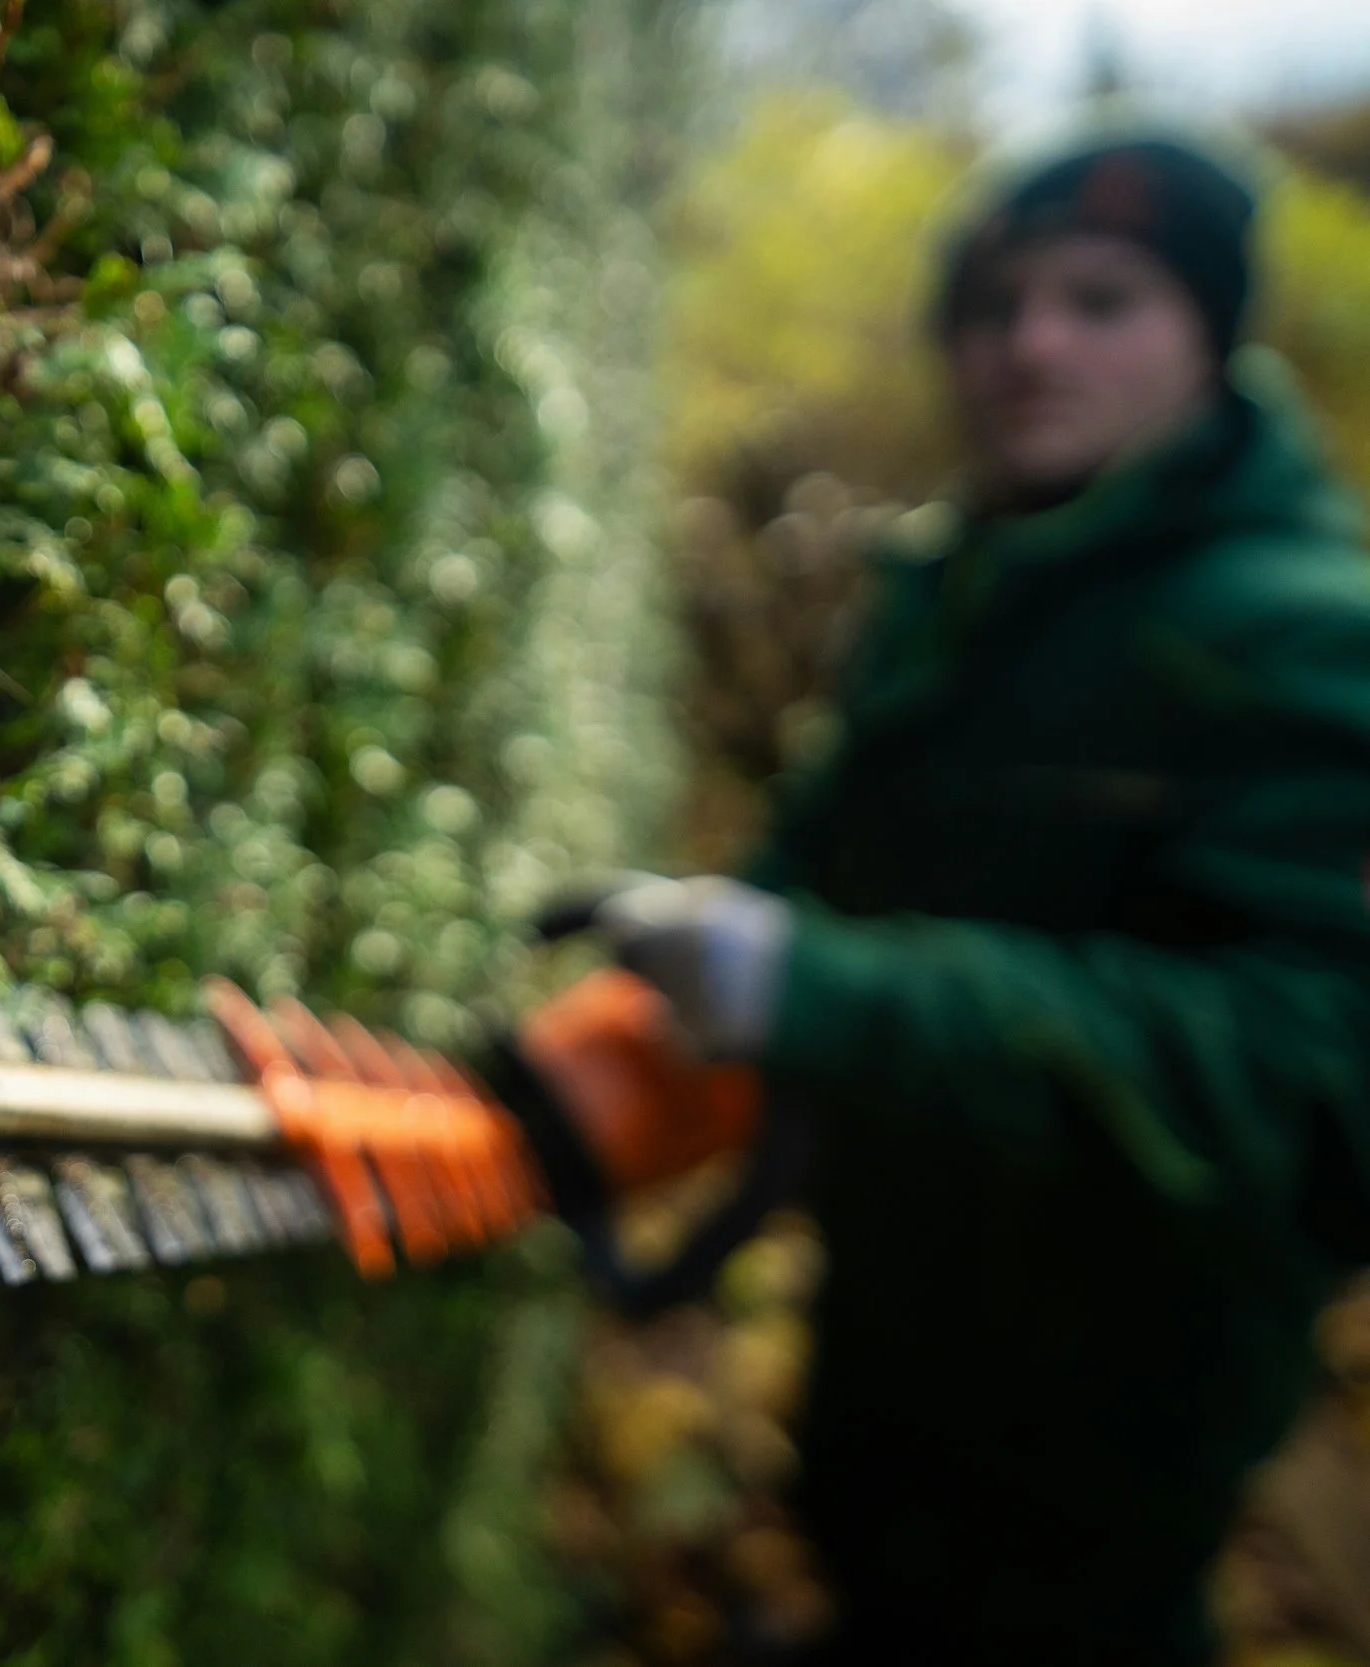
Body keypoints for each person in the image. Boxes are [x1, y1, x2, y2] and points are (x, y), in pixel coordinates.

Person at [543, 137, 1370, 1662]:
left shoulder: (1311, 636)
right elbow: (829, 852)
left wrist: (824, 994)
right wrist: (664, 1006)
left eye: (1102, 298)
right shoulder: (954, 592)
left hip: (1111, 1436)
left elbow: (1315, 1078)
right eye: (993, 306)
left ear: (1213, 334)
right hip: (888, 1353)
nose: (1031, 343)